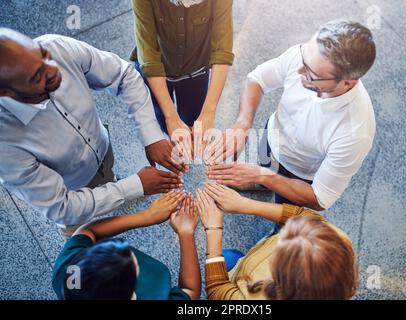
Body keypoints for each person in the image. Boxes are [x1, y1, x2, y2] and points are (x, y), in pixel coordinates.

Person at [0, 28, 185, 238]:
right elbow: (63, 209)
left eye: (44, 55)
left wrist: (151, 136)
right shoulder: (5, 146)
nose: (53, 70)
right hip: (73, 191)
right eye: (37, 77)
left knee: (109, 178)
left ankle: (111, 184)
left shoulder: (55, 46)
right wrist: (135, 186)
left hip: (103, 149)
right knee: (86, 242)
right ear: (4, 92)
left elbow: (124, 75)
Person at [205, 20, 377, 211]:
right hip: (271, 138)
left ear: (348, 83)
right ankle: (261, 185)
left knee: (285, 216)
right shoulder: (308, 57)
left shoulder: (355, 133)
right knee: (265, 165)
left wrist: (261, 175)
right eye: (304, 58)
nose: (298, 71)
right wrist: (243, 123)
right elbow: (258, 79)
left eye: (311, 74)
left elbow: (319, 198)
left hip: (300, 175)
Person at [196, 183, 358, 300]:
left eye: (281, 243)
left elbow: (218, 292)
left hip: (239, 281)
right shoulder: (339, 239)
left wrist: (213, 229)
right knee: (230, 257)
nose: (279, 235)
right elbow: (303, 216)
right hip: (247, 271)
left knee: (225, 259)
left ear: (281, 277)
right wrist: (245, 205)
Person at [131, 0, 234, 161]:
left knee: (193, 115)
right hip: (156, 74)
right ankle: (169, 136)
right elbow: (149, 57)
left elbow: (222, 50)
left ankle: (187, 142)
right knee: (160, 114)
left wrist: (208, 112)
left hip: (196, 71)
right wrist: (171, 117)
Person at [52, 190, 201, 300]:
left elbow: (86, 231)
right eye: (134, 266)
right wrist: (186, 233)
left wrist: (146, 217)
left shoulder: (67, 271)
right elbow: (190, 291)